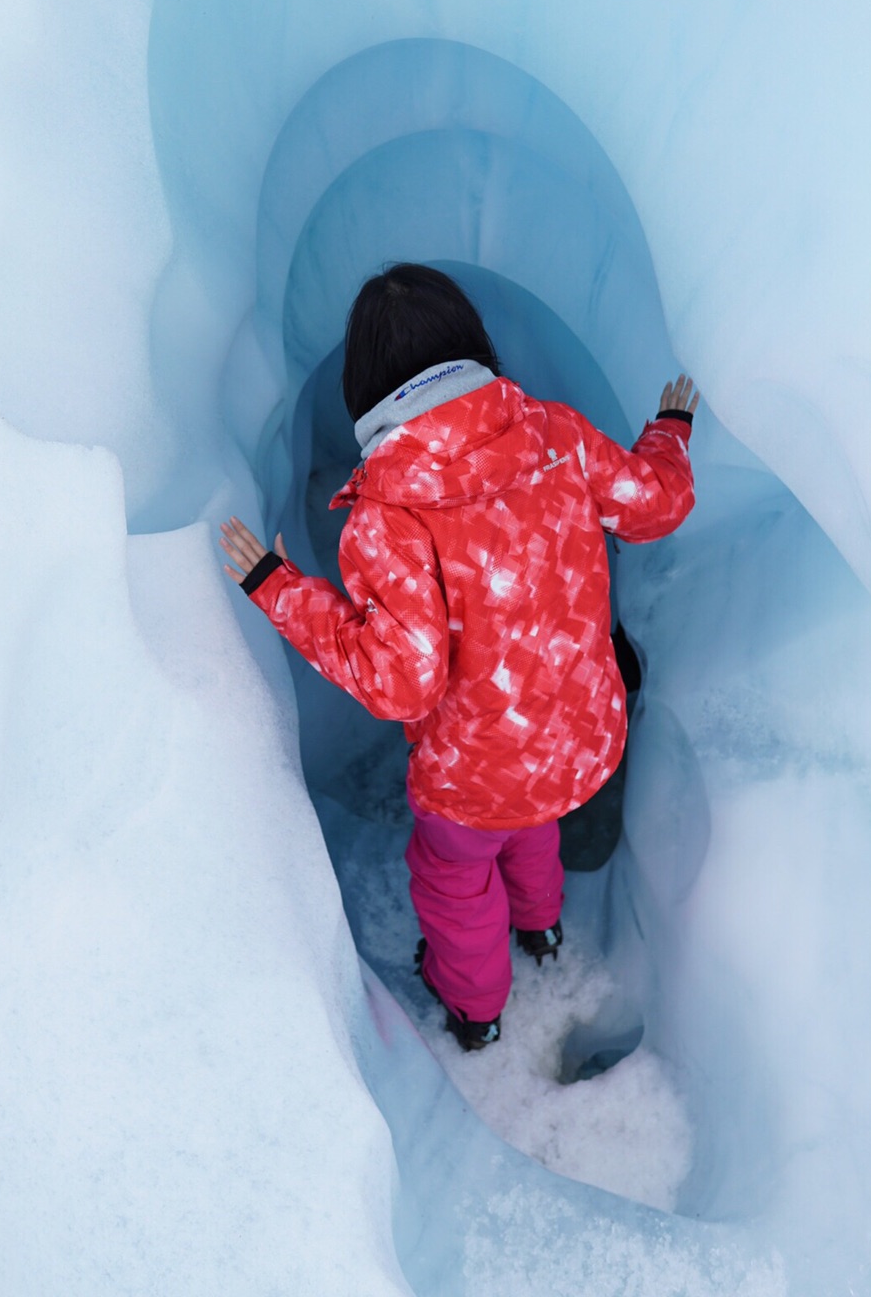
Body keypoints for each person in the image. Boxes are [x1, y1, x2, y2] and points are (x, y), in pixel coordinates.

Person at [220, 264, 697, 1050]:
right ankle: (543, 931)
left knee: (456, 884)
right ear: (473, 346)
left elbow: (402, 685)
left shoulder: (388, 516)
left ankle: (475, 1008)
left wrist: (281, 591)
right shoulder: (556, 434)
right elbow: (655, 505)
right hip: (579, 743)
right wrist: (669, 430)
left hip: (473, 782)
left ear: (365, 389)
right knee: (536, 826)